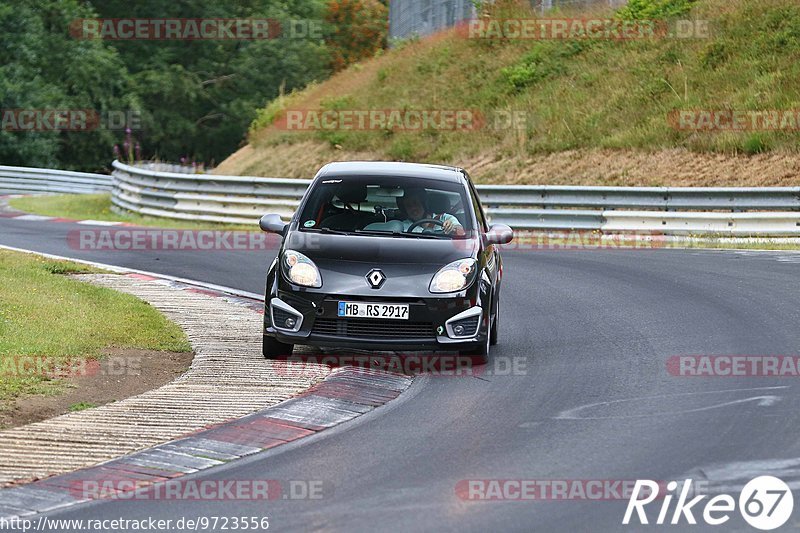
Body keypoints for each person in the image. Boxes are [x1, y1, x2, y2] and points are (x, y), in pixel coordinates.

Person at [398, 188, 464, 236]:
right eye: (408, 206)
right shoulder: (402, 226)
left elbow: (461, 232)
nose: (413, 208)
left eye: (416, 203)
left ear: (423, 204)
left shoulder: (445, 218)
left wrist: (452, 228)